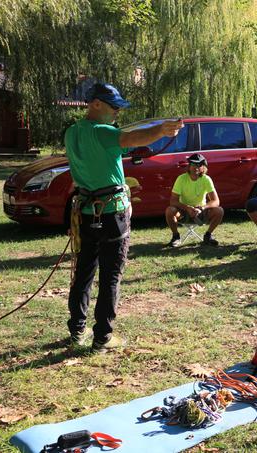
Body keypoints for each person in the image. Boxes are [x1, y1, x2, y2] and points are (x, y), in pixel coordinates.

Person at [65, 83, 183, 353]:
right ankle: (103, 337)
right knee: (110, 276)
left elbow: (124, 141)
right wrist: (162, 129)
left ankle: (77, 329)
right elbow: (133, 138)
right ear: (95, 104)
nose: (118, 112)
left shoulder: (72, 132)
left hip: (84, 212)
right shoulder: (104, 132)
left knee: (83, 272)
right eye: (114, 106)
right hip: (111, 213)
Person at [165, 153, 224, 247]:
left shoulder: (206, 179)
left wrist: (202, 208)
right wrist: (187, 208)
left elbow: (216, 201)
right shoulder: (181, 178)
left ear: (203, 167)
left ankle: (208, 236)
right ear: (189, 165)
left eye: (199, 165)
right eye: (193, 164)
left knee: (219, 211)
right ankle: (176, 237)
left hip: (200, 212)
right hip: (183, 212)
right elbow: (173, 201)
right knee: (170, 210)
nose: (196, 167)